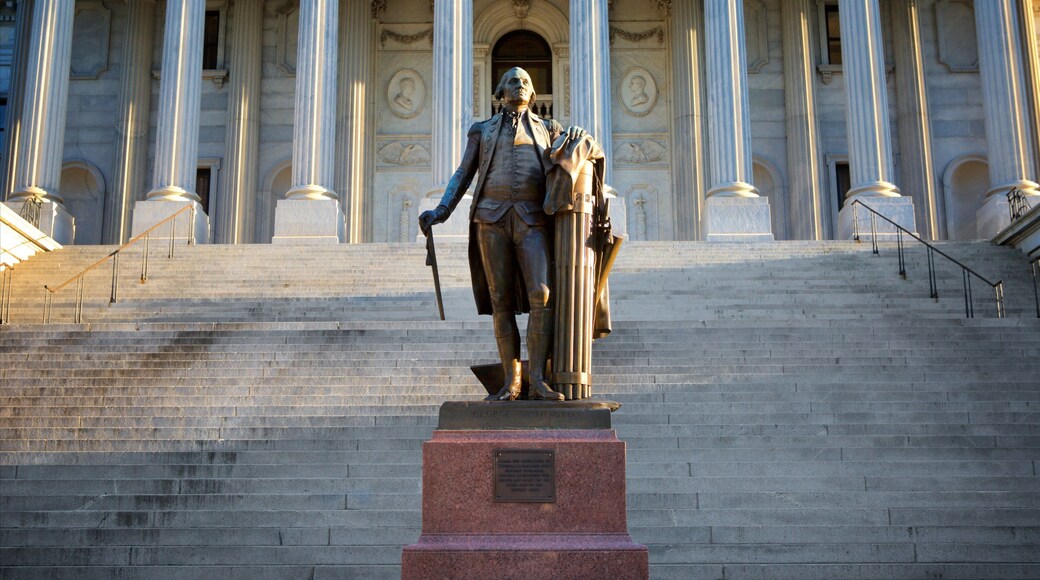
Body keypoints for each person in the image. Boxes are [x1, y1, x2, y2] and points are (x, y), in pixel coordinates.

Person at [419, 67, 586, 402]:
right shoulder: (482, 130)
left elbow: (574, 160)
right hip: (490, 218)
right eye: (512, 80)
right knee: (501, 301)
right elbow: (463, 172)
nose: (519, 85)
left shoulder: (550, 129)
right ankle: (512, 381)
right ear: (499, 91)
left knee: (542, 294)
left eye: (525, 81)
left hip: (532, 218)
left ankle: (537, 379)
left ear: (534, 93)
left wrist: (581, 138)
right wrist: (442, 210)